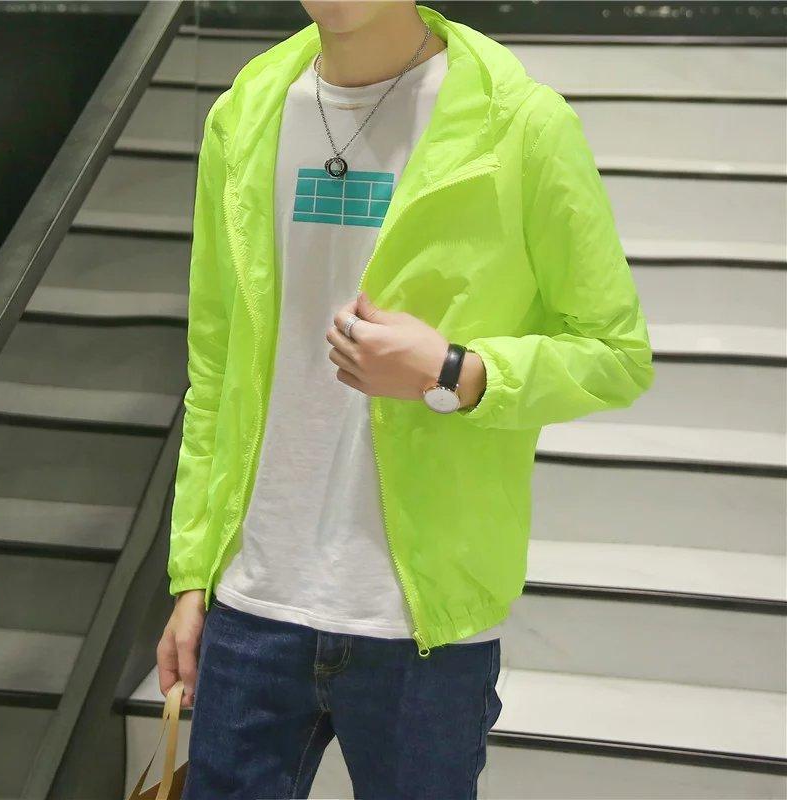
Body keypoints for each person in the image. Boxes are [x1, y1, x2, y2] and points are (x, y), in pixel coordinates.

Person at [157, 2, 655, 798]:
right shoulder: (245, 115)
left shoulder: (518, 123)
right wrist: (192, 573)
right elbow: (214, 369)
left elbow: (615, 353)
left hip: (421, 624)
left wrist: (454, 369)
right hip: (251, 603)